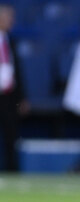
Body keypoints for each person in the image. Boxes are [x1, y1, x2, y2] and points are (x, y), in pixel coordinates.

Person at [0, 4, 27, 171]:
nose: (12, 21)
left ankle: (12, 168)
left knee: (11, 134)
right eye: (8, 17)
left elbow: (18, 70)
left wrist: (22, 97)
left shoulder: (12, 41)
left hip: (9, 96)